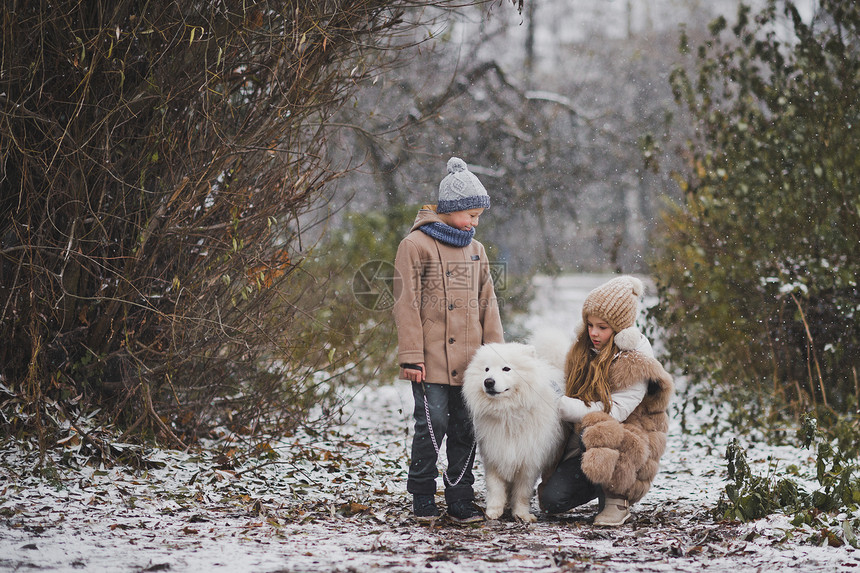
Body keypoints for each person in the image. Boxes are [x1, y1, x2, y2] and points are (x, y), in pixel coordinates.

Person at [393, 157, 505, 523]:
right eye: (470, 215)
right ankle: (422, 494)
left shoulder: (477, 251)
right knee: (433, 424)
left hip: (472, 362)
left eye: (478, 217)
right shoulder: (415, 245)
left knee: (466, 426)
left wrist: (496, 357)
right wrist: (411, 356)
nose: (475, 223)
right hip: (430, 361)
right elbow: (405, 303)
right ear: (452, 209)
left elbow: (488, 303)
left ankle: (460, 496)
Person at [538, 275, 674, 526]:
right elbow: (566, 386)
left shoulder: (636, 362)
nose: (593, 333)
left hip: (630, 440)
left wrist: (561, 405)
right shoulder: (583, 351)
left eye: (602, 327)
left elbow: (616, 411)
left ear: (621, 330)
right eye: (590, 325)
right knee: (552, 501)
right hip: (588, 438)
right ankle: (596, 481)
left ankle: (616, 499)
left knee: (600, 428)